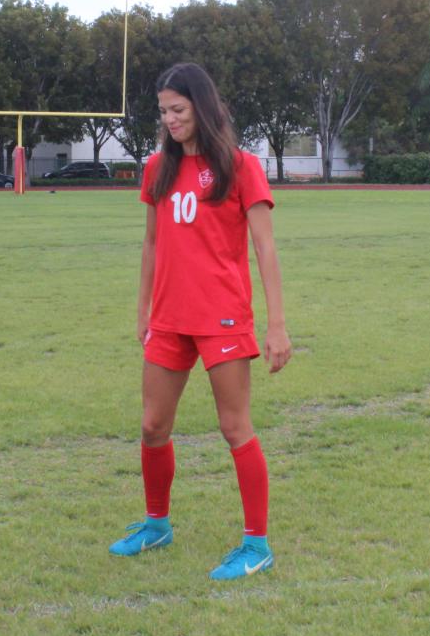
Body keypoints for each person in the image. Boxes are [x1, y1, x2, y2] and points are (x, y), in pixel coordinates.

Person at [108, 62, 292, 580]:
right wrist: (143, 309)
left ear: (202, 107)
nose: (169, 119)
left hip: (223, 318)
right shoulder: (156, 169)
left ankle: (257, 544)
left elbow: (265, 247)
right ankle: (156, 524)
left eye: (179, 109)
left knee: (234, 427)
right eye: (163, 110)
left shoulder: (240, 166)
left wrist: (276, 325)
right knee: (152, 425)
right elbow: (150, 243)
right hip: (169, 319)